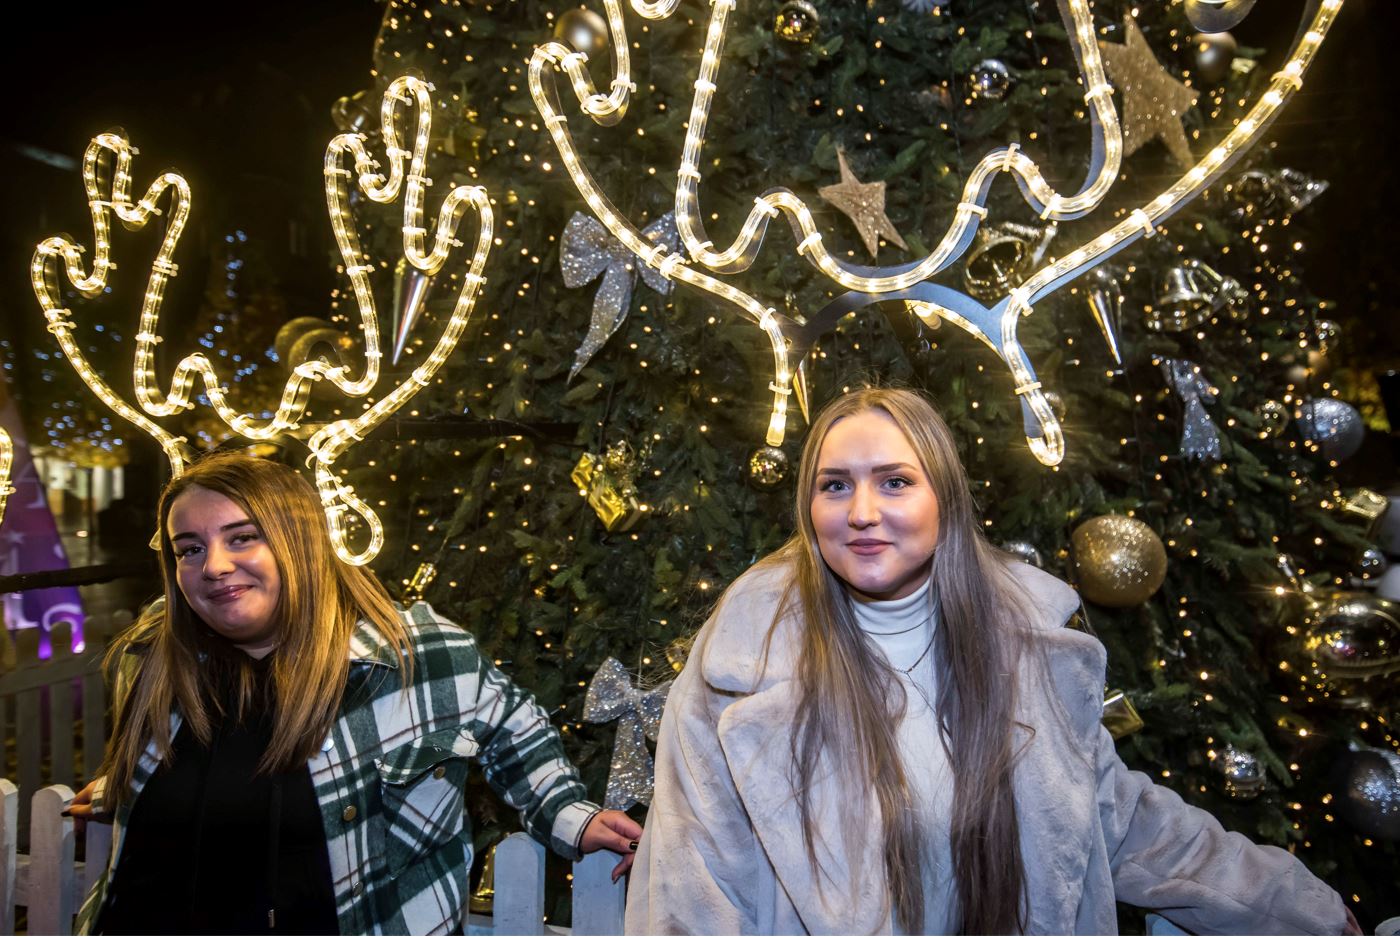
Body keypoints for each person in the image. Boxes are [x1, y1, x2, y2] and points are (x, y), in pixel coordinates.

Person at [626, 387, 1358, 936]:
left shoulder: (1026, 656)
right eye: (834, 485)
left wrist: (1307, 912)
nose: (862, 512)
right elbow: (689, 885)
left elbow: (1124, 822)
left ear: (945, 496)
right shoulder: (743, 667)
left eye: (894, 480)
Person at [67, 452, 640, 935]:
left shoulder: (411, 654)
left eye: (242, 537)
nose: (213, 565)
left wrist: (569, 813)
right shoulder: (158, 652)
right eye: (188, 549)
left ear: (301, 543)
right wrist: (131, 787)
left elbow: (515, 727)